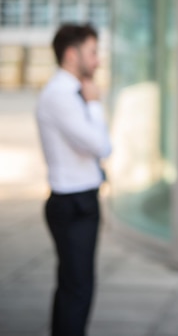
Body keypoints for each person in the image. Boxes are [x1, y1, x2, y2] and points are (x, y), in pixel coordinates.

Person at [36, 23, 111, 336]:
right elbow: (101, 145)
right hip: (73, 203)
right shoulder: (61, 94)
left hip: (78, 199)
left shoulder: (67, 91)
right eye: (92, 52)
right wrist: (94, 103)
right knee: (77, 290)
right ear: (71, 54)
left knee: (74, 287)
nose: (97, 61)